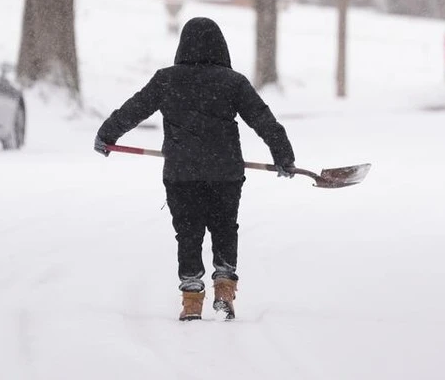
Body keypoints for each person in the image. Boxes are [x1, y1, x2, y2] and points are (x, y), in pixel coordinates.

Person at [94, 16, 296, 321]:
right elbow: (263, 120)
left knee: (188, 233)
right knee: (225, 227)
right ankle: (225, 286)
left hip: (181, 173)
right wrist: (283, 155)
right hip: (225, 172)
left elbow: (134, 109)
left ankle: (191, 299)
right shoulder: (233, 82)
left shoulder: (166, 79)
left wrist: (107, 135)